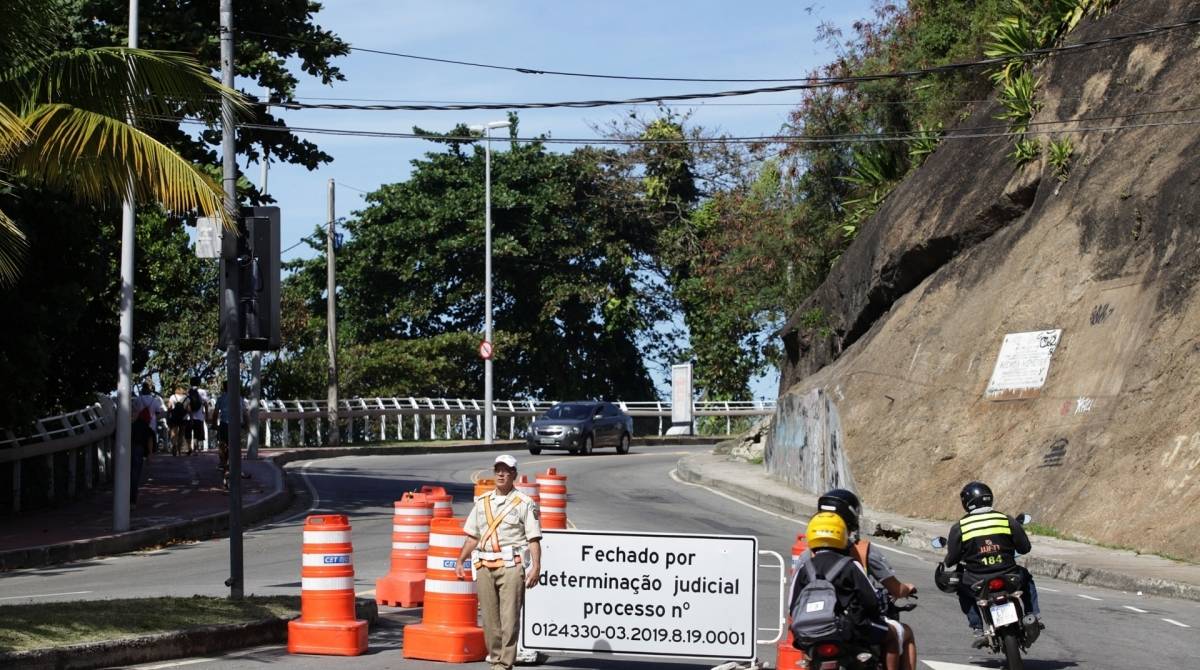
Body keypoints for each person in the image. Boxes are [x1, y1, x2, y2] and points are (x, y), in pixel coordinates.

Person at [455, 454, 542, 670]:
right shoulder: (483, 502)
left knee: (509, 620)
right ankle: (495, 661)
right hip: (484, 566)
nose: (501, 474)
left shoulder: (524, 503)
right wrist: (460, 560)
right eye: (498, 470)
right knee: (490, 622)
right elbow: (473, 536)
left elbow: (533, 538)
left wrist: (536, 567)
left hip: (511, 566)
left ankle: (504, 665)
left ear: (514, 474)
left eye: (506, 470)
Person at [818, 488, 918, 670]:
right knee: (900, 635)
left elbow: (793, 601)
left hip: (813, 625)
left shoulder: (806, 557)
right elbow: (874, 597)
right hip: (853, 625)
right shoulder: (860, 553)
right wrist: (906, 589)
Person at [941, 481, 1042, 648]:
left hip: (976, 579)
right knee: (1027, 579)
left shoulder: (960, 527)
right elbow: (1025, 548)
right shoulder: (1006, 520)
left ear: (966, 503)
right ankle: (1033, 615)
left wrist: (949, 562)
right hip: (1010, 574)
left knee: (962, 589)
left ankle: (978, 627)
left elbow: (952, 559)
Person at [789, 512, 899, 662]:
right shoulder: (851, 565)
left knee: (810, 658)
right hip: (848, 631)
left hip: (808, 633)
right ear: (842, 535)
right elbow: (871, 601)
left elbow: (792, 605)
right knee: (894, 635)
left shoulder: (804, 568)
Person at [137, 382, 167, 456]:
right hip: (151, 422)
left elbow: (134, 409)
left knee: (140, 438)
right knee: (150, 438)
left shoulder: (138, 399)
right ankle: (150, 454)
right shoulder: (155, 400)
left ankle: (141, 453)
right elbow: (159, 412)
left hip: (140, 421)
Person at [185, 376, 209, 454]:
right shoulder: (202, 391)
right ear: (199, 383)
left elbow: (187, 404)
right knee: (197, 434)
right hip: (199, 416)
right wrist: (207, 415)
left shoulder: (188, 391)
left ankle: (189, 448)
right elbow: (205, 404)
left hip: (188, 416)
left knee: (188, 433)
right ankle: (195, 449)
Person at [167, 385, 189, 456]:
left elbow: (169, 407)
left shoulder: (172, 397)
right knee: (181, 434)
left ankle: (174, 444)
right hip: (183, 418)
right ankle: (179, 450)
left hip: (174, 417)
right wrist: (191, 418)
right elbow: (189, 410)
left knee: (174, 432)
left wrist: (168, 415)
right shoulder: (186, 398)